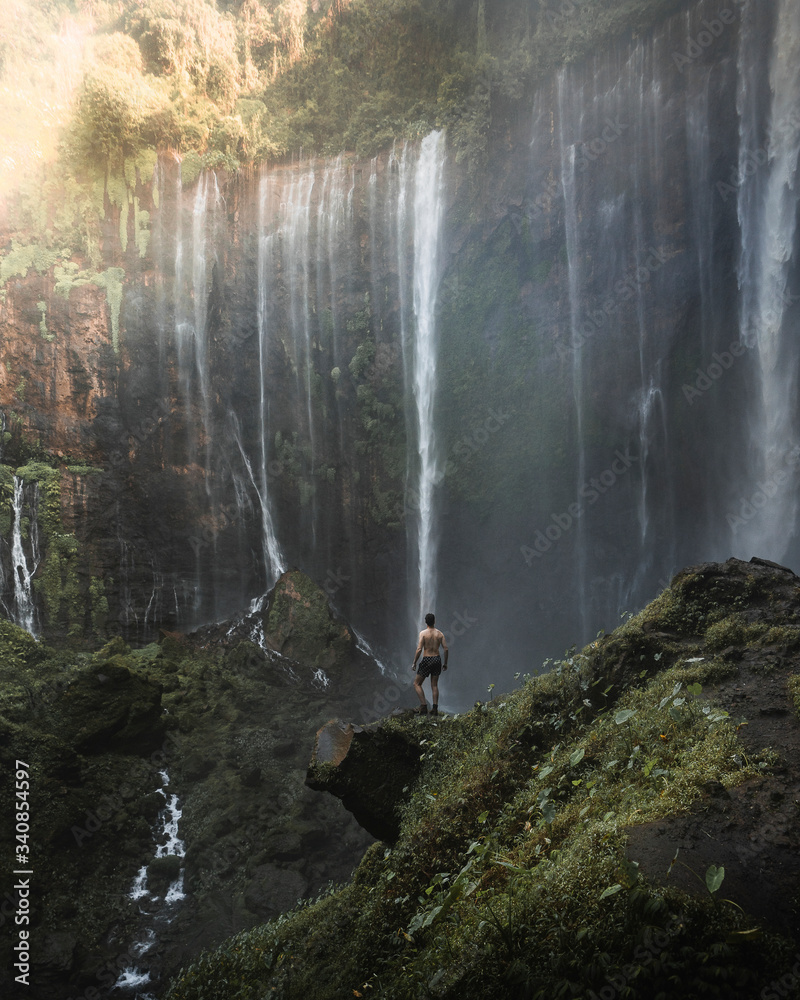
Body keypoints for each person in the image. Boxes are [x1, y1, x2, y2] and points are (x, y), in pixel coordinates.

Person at [412, 613, 448, 716]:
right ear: (434, 621)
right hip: (437, 659)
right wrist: (445, 663)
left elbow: (419, 649)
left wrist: (414, 662)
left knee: (417, 683)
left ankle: (423, 706)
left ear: (425, 622)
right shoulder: (440, 634)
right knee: (434, 685)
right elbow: (445, 648)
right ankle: (435, 709)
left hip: (427, 659)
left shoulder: (423, 634)